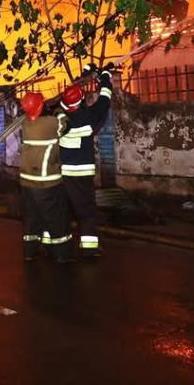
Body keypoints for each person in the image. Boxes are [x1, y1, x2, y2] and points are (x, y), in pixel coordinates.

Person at [57, 62, 114, 258]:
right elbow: (105, 99)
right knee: (86, 211)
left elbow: (62, 100)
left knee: (61, 210)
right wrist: (104, 77)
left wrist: (84, 77)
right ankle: (89, 249)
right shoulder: (89, 117)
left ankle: (56, 247)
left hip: (62, 174)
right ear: (82, 101)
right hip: (81, 174)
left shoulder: (59, 118)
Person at [18, 91, 73, 263]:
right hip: (46, 181)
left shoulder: (25, 124)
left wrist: (44, 108)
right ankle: (62, 254)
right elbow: (66, 124)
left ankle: (29, 252)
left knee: (32, 218)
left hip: (27, 180)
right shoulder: (50, 123)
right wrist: (57, 110)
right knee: (57, 218)